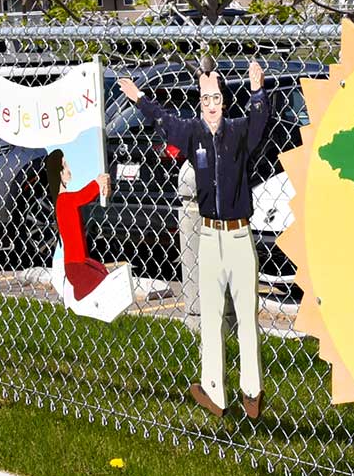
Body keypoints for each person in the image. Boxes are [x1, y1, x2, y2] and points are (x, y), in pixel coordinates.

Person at [117, 60, 269, 419]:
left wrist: (257, 91)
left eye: (215, 98)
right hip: (208, 235)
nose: (211, 105)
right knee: (210, 317)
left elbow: (260, 123)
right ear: (199, 103)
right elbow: (163, 120)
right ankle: (214, 390)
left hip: (239, 234)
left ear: (224, 102)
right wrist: (138, 98)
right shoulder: (193, 134)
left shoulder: (238, 131)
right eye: (204, 99)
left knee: (246, 314)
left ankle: (252, 391)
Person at [44, 149, 110, 302]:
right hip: (77, 264)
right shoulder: (64, 200)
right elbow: (82, 196)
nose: (69, 169)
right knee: (102, 281)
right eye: (65, 165)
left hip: (78, 263)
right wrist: (97, 183)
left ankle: (81, 300)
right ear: (59, 174)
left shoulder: (62, 200)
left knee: (101, 272)